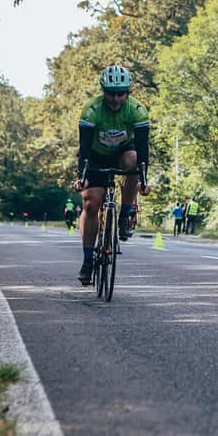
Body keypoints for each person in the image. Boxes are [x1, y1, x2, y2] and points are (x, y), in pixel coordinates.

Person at [73, 65, 152, 285]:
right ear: (103, 91)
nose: (115, 99)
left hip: (123, 152)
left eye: (120, 93)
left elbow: (144, 150)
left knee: (133, 161)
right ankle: (88, 261)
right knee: (91, 203)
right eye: (110, 93)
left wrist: (144, 181)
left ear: (128, 92)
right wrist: (83, 176)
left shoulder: (137, 110)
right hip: (96, 156)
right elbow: (84, 147)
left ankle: (126, 213)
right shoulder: (91, 110)